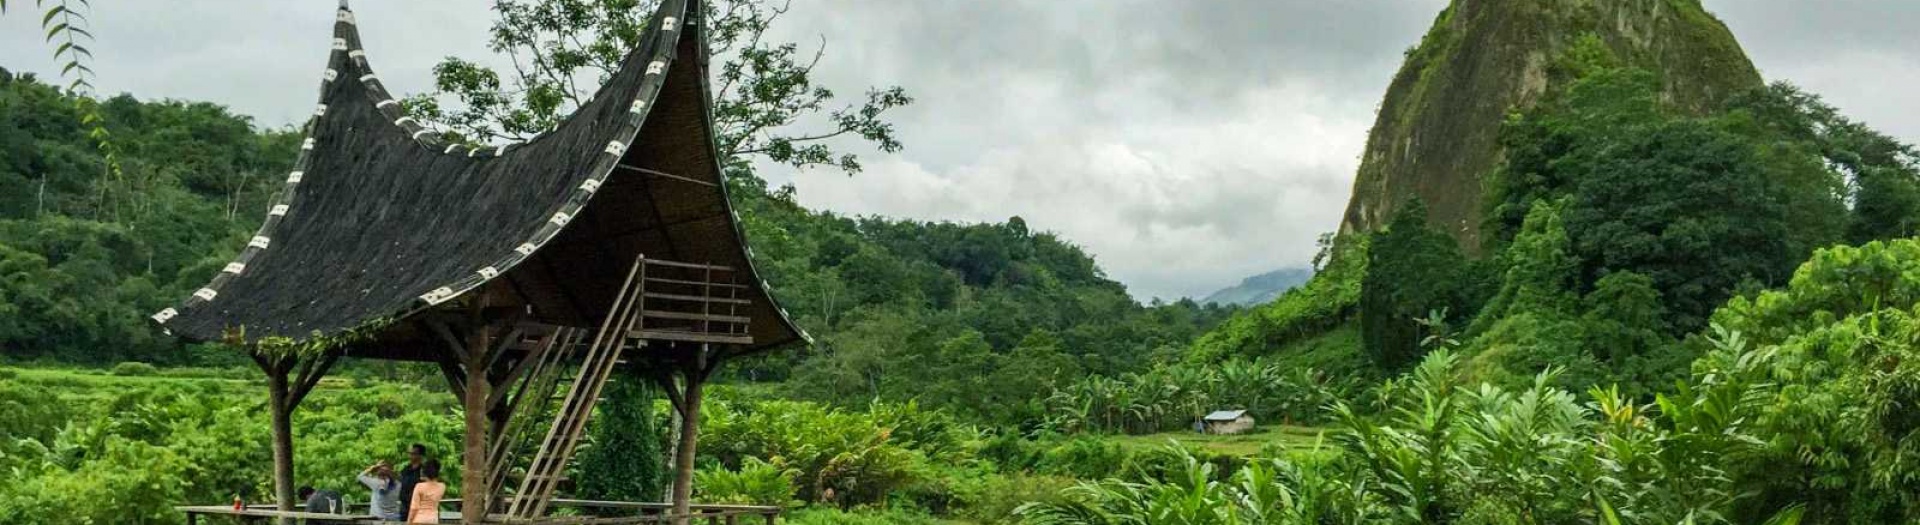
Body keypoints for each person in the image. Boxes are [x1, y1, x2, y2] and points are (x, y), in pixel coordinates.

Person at [407, 459, 446, 524]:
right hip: (433, 520)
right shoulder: (442, 486)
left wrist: (409, 521)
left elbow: (414, 507)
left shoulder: (419, 486)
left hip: (419, 519)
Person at [397, 444, 427, 517]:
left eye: (413, 454)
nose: (410, 456)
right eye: (410, 453)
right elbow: (400, 480)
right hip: (404, 507)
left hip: (418, 507)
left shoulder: (424, 470)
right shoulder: (406, 469)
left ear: (420, 455)